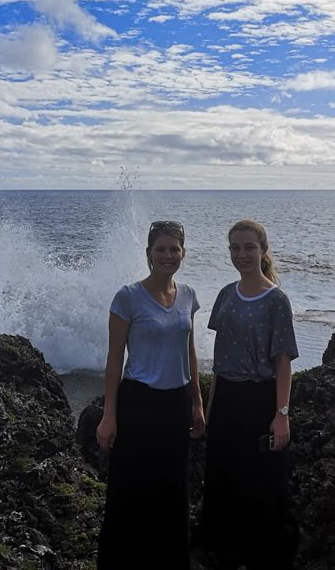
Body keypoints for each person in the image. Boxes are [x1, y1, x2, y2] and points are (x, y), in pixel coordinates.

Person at [96, 219, 206, 570]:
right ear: (148, 254)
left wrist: (197, 403)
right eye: (161, 249)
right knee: (129, 491)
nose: (168, 255)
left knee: (173, 492)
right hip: (138, 404)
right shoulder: (128, 297)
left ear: (183, 253)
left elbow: (189, 352)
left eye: (175, 249)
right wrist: (109, 415)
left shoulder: (188, 296)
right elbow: (114, 360)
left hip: (175, 406)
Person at [201, 219, 299, 570]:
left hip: (260, 399)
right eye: (235, 248)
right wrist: (210, 406)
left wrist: (282, 413)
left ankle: (261, 556)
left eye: (249, 247)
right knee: (223, 476)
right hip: (226, 396)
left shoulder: (277, 300)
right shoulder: (226, 293)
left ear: (263, 250)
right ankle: (226, 554)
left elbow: (283, 361)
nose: (242, 254)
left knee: (260, 481)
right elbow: (220, 355)